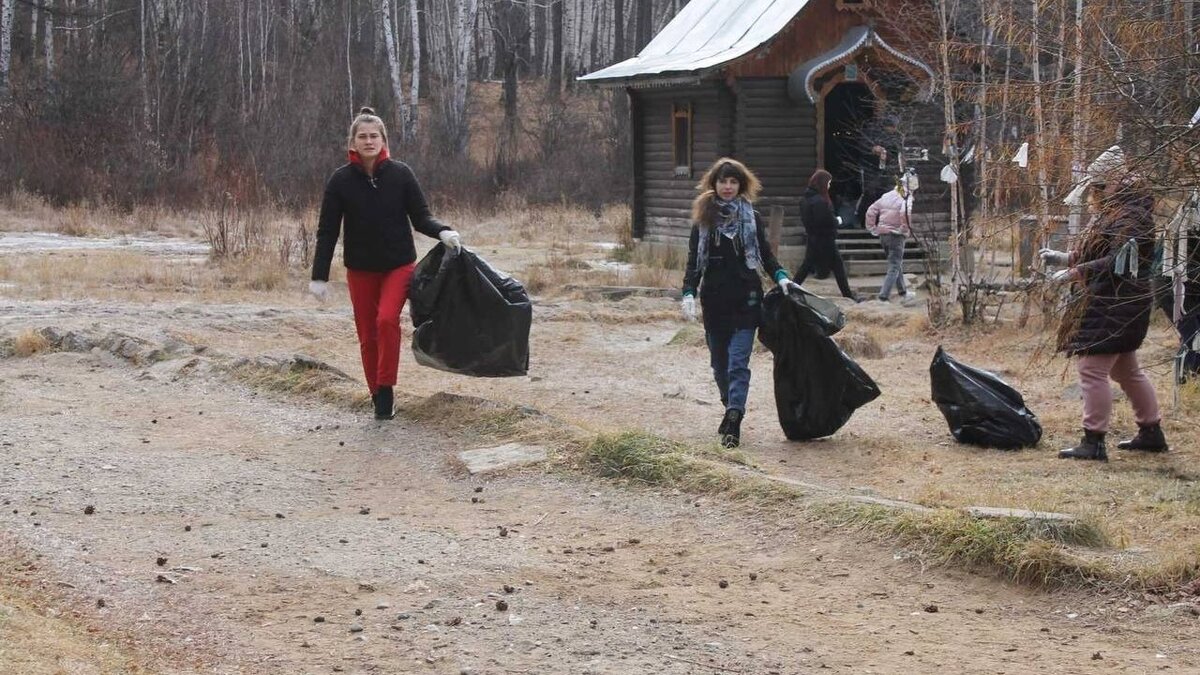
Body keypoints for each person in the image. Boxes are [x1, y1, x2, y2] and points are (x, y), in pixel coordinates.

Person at [310, 107, 463, 420]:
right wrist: (319, 277)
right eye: (362, 136)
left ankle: (387, 388)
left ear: (383, 140)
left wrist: (443, 231)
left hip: (398, 266)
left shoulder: (401, 174)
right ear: (352, 142)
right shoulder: (340, 181)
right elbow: (327, 231)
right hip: (360, 270)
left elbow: (420, 217)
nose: (369, 141)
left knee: (385, 321)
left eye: (374, 136)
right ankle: (377, 394)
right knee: (367, 335)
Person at [1040, 174, 1167, 461]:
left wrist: (1075, 272)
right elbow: (1100, 250)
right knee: (1126, 372)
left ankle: (1093, 441)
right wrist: (1063, 258)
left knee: (1091, 369)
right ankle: (1151, 433)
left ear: (1120, 186)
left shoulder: (1131, 218)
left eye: (1102, 185)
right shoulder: (1119, 213)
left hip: (1116, 302)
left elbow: (1115, 261)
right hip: (1115, 300)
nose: (1096, 191)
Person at [681, 157, 799, 448]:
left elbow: (765, 255)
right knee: (719, 364)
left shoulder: (751, 217)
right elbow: (694, 262)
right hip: (715, 299)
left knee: (737, 363)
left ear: (741, 184)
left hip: (747, 297)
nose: (728, 187)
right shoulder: (703, 220)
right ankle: (729, 403)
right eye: (723, 181)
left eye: (733, 181)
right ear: (714, 184)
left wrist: (781, 276)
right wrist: (687, 292)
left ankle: (735, 416)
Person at [793, 169, 861, 302]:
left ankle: (790, 289)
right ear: (822, 183)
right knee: (837, 266)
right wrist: (837, 220)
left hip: (813, 237)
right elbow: (824, 221)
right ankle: (848, 296)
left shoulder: (806, 199)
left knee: (806, 266)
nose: (829, 186)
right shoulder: (819, 201)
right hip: (824, 238)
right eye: (828, 183)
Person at [865, 171, 919, 303]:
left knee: (896, 263)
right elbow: (904, 213)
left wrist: (872, 228)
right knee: (894, 265)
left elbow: (871, 210)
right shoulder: (907, 198)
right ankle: (883, 297)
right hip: (896, 234)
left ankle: (903, 292)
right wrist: (905, 229)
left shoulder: (887, 195)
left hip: (883, 234)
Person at [854, 113, 904, 228]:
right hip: (870, 167)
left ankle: (882, 222)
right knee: (869, 194)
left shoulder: (895, 136)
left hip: (887, 170)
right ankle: (862, 220)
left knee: (885, 195)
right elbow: (862, 145)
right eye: (892, 127)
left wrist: (889, 157)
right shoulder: (872, 132)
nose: (894, 129)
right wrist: (873, 149)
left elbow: (896, 152)